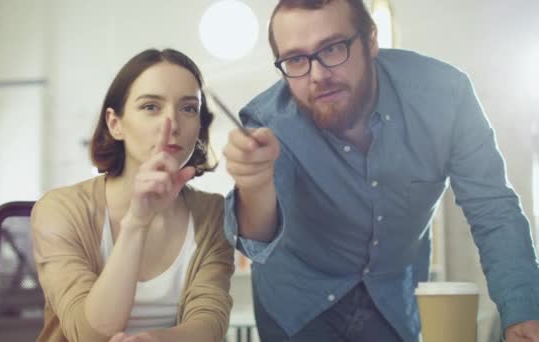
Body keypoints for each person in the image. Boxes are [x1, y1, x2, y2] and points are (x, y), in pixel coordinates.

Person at [222, 0, 539, 341]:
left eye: (332, 48)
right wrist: (253, 185)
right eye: (296, 59)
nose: (317, 75)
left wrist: (523, 311)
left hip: (393, 298)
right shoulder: (269, 121)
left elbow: (492, 207)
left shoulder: (446, 97)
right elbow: (257, 236)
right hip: (297, 302)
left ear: (370, 40)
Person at [32, 48, 234, 342]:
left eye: (188, 108)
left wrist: (153, 341)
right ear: (115, 124)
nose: (172, 124)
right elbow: (89, 334)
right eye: (151, 106)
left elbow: (209, 324)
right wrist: (137, 222)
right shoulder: (60, 209)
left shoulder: (213, 212)